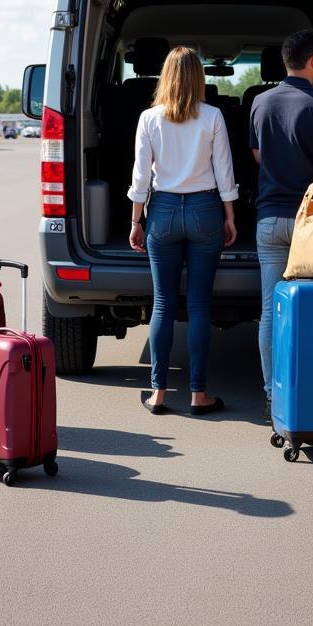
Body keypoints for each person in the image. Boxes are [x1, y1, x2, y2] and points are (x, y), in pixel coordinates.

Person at [128, 46, 238, 415]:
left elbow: (141, 176)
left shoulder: (149, 118)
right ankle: (197, 393)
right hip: (205, 210)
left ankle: (158, 392)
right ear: (198, 78)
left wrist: (135, 220)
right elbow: (224, 170)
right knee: (199, 304)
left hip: (163, 211)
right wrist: (230, 216)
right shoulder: (213, 116)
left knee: (162, 303)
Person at [250, 30, 313, 421]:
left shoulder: (259, 103)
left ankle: (272, 397)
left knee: (271, 311)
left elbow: (258, 156)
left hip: (269, 219)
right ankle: (310, 392)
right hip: (312, 225)